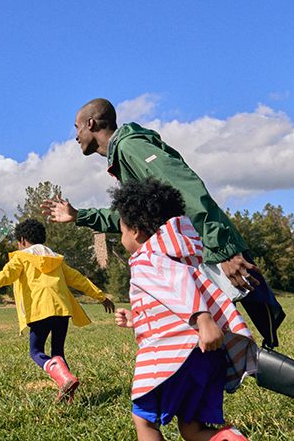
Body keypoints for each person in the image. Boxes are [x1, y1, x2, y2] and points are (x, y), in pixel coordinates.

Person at [42, 98, 294, 440]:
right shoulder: (123, 156)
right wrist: (81, 216)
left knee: (230, 342)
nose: (75, 136)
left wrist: (224, 248)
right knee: (229, 342)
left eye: (76, 128)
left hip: (196, 250)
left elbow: (186, 188)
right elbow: (137, 216)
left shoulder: (131, 146)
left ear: (91, 124)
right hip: (189, 247)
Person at [111, 178, 253, 441]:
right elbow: (172, 299)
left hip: (175, 356)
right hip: (207, 357)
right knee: (192, 429)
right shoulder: (184, 257)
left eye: (122, 230)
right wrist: (136, 317)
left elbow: (180, 284)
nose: (121, 238)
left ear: (137, 232)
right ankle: (228, 438)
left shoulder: (146, 259)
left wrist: (203, 318)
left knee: (144, 421)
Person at [0, 218, 115, 401]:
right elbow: (78, 279)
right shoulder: (56, 259)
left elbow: (5, 276)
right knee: (58, 353)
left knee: (35, 352)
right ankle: (67, 394)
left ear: (21, 240)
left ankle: (64, 379)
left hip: (39, 310)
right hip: (61, 309)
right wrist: (101, 296)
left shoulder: (20, 257)